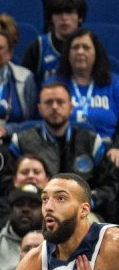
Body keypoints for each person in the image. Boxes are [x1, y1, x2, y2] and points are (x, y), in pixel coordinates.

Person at [9, 82, 119, 221]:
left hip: (81, 214)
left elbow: (109, 183)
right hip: (34, 211)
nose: (54, 107)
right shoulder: (21, 141)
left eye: (60, 102)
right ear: (40, 109)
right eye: (48, 102)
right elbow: (8, 182)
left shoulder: (90, 141)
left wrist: (89, 201)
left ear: (71, 108)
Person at [54, 28, 119, 143]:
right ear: (68, 53)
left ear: (96, 53)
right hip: (63, 147)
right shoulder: (54, 85)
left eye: (86, 47)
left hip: (107, 148)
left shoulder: (115, 84)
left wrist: (116, 147)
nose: (80, 52)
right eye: (75, 47)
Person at [21, 0, 86, 88]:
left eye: (69, 12)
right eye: (58, 13)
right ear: (51, 17)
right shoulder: (38, 47)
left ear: (80, 17)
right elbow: (24, 85)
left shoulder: (90, 46)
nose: (64, 18)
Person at [0, 154, 50, 239]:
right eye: (24, 172)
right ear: (15, 180)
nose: (31, 176)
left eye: (36, 172)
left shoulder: (55, 206)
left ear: (47, 181)